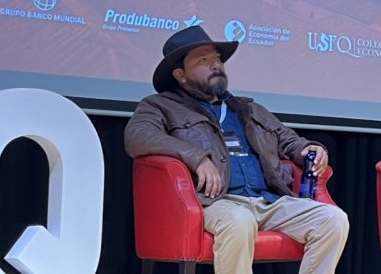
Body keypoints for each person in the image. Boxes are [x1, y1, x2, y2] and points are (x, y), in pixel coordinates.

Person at [124, 25, 349, 274]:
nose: (216, 65)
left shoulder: (248, 109)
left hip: (267, 200)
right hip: (213, 202)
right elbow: (137, 136)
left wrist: (310, 148)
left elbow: (288, 140)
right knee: (240, 220)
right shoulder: (160, 106)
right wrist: (196, 158)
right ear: (180, 75)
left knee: (333, 219)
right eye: (203, 60)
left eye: (217, 59)